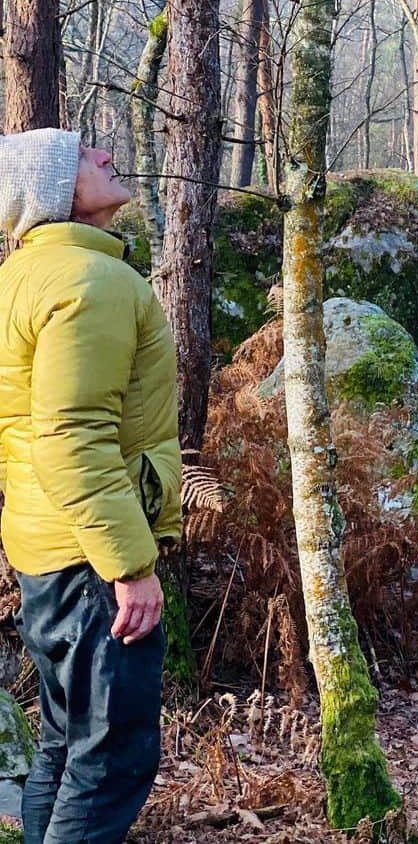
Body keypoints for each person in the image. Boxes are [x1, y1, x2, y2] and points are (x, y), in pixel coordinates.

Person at [0, 129, 181, 841]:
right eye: (83, 156)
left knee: (65, 749)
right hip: (90, 561)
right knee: (109, 764)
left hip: (45, 546)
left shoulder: (22, 277)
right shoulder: (91, 281)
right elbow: (72, 436)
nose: (105, 157)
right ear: (54, 192)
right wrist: (130, 567)